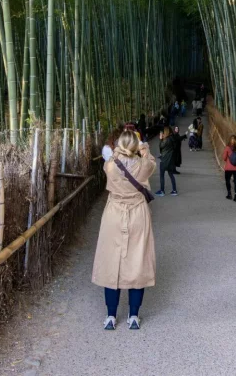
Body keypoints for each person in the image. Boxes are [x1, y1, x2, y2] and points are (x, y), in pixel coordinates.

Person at [92, 131, 156, 330]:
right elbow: (151, 161)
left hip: (114, 214)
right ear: (136, 145)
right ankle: (134, 316)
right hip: (138, 215)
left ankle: (111, 316)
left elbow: (110, 159)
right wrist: (143, 147)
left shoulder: (110, 165)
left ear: (119, 145)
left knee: (112, 262)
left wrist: (117, 151)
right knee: (138, 262)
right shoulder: (144, 165)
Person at [155, 127, 180, 196]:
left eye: (163, 132)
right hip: (171, 161)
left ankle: (162, 191)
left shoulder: (166, 140)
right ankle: (174, 190)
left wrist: (160, 139)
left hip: (164, 160)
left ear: (165, 132)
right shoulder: (172, 138)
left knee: (162, 176)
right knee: (171, 175)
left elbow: (161, 147)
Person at [223, 135, 236, 201]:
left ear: (230, 140)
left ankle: (229, 194)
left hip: (228, 168)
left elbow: (224, 158)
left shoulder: (227, 148)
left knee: (227, 180)